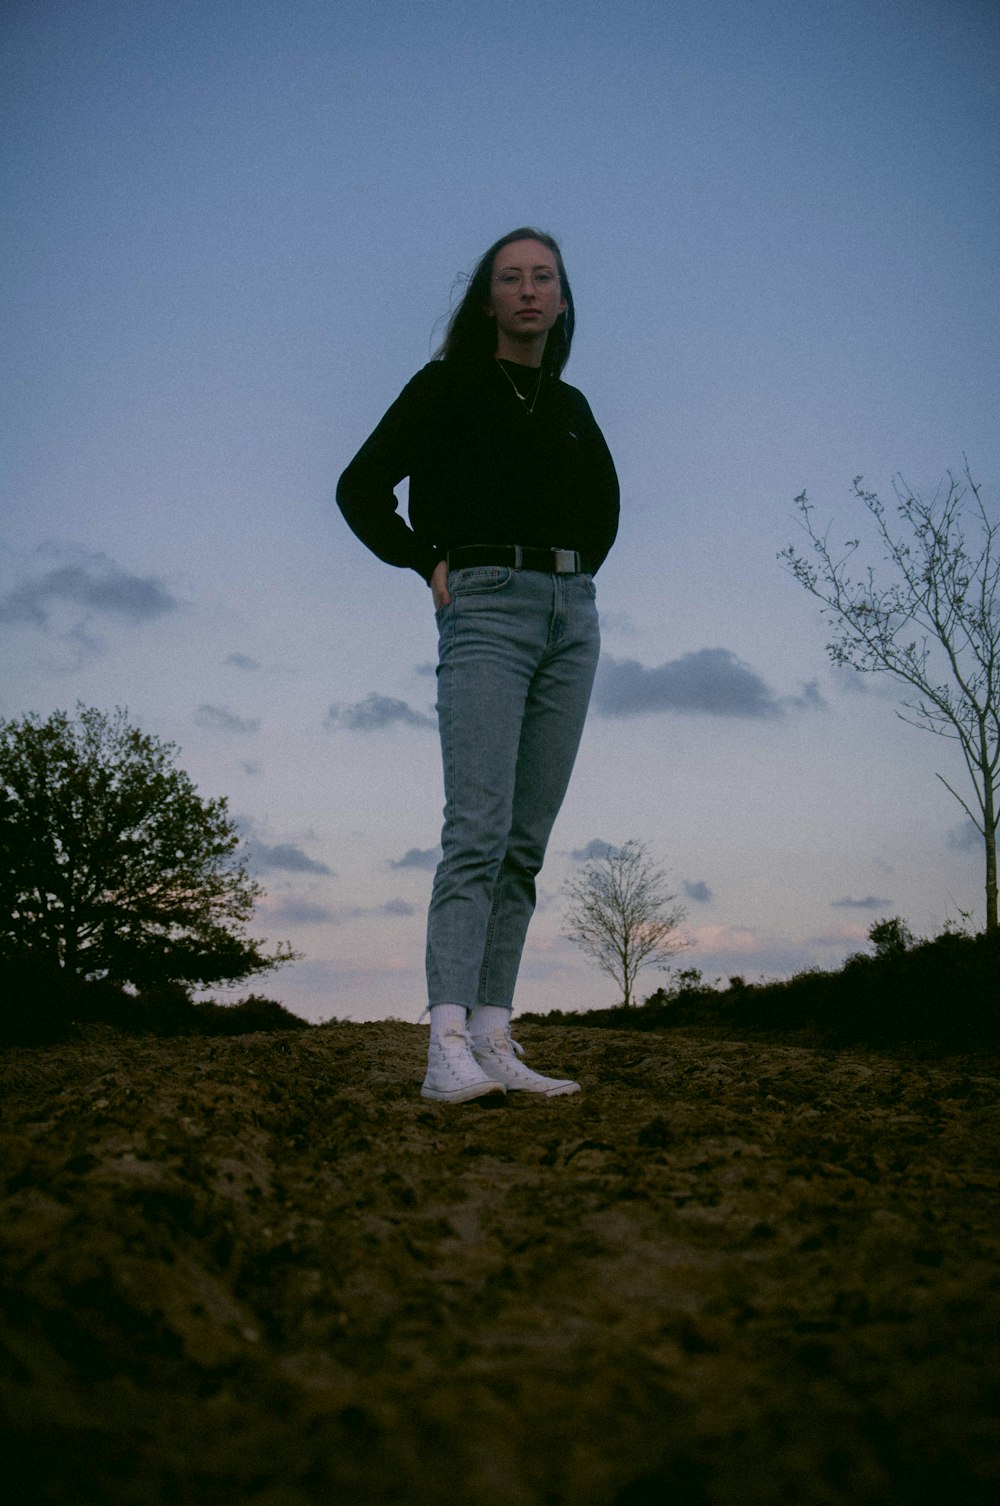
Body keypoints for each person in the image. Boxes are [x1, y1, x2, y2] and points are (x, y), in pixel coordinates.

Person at [337, 227, 619, 1102]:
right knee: (479, 829)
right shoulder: (449, 386)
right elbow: (360, 489)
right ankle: (445, 1044)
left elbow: (606, 513)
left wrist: (573, 580)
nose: (529, 290)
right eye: (511, 278)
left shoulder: (571, 407)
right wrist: (428, 559)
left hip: (570, 616)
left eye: (544, 278)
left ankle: (496, 1035)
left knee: (525, 843)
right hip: (486, 607)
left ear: (563, 300)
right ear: (488, 298)